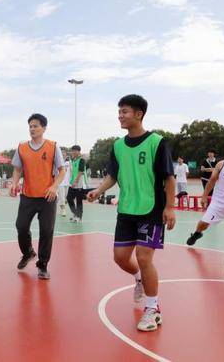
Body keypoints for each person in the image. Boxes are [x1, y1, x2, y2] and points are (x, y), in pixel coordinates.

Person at [88, 94, 175, 332]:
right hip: (127, 209)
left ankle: (153, 309)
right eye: (119, 112)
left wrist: (170, 207)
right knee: (120, 257)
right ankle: (139, 278)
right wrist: (98, 191)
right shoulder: (118, 146)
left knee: (145, 258)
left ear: (139, 114)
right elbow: (113, 175)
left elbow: (169, 177)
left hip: (151, 209)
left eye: (124, 111)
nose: (120, 116)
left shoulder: (157, 142)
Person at [10, 113, 66, 280]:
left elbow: (62, 171)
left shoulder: (53, 146)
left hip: (47, 197)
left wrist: (54, 187)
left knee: (46, 231)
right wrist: (14, 183)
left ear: (44, 128)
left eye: (35, 126)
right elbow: (17, 169)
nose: (32, 129)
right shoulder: (22, 147)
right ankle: (28, 253)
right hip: (28, 195)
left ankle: (43, 265)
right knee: (21, 227)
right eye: (30, 126)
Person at [67, 145, 88, 223]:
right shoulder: (73, 160)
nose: (73, 152)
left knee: (79, 200)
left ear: (78, 151)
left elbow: (80, 172)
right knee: (69, 198)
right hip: (73, 183)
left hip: (79, 183)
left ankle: (79, 217)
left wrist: (76, 181)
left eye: (74, 151)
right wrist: (72, 181)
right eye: (72, 151)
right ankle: (75, 214)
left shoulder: (82, 160)